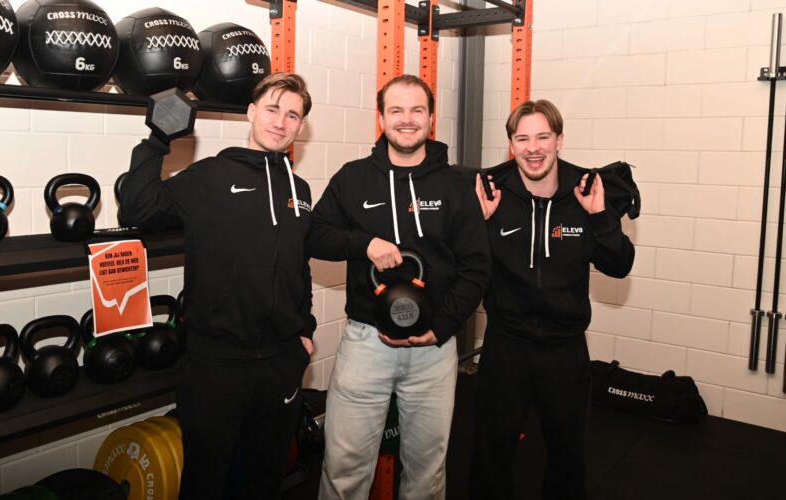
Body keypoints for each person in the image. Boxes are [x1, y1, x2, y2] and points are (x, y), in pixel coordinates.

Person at [118, 72, 316, 500]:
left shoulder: (299, 190)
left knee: (265, 482)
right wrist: (157, 140)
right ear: (251, 112)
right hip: (216, 367)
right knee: (206, 484)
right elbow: (137, 207)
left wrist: (305, 329)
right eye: (272, 109)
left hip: (281, 363)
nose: (280, 121)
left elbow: (299, 265)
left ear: (300, 126)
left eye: (292, 115)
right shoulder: (209, 176)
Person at [309, 74, 491, 499]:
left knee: (427, 474)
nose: (407, 119)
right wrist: (364, 243)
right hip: (366, 343)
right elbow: (315, 235)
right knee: (344, 470)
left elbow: (477, 269)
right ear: (381, 118)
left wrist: (441, 327)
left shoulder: (455, 186)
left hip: (434, 349)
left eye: (416, 110)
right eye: (396, 110)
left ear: (431, 118)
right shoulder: (353, 178)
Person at [470, 99, 636, 500]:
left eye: (543, 137)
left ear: (559, 140)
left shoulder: (585, 192)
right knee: (491, 456)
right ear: (511, 145)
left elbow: (619, 265)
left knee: (568, 459)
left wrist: (600, 216)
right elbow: (464, 267)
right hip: (506, 346)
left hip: (565, 350)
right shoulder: (491, 193)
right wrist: (479, 225)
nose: (533, 148)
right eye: (522, 138)